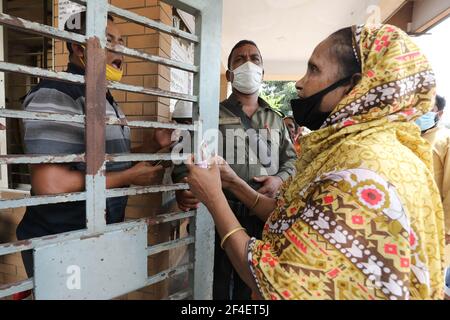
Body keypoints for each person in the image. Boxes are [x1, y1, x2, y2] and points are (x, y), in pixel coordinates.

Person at [185, 24, 445, 299]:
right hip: (230, 217)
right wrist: (232, 184)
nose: (298, 83)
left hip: (250, 228)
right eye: (240, 59)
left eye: (314, 70)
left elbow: (278, 283)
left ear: (356, 86)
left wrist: (216, 196)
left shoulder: (361, 172)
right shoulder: (355, 150)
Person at [16, 11, 173, 279]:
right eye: (108, 40)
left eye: (120, 42)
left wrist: (150, 146)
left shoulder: (104, 98)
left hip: (95, 235)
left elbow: (107, 160)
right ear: (79, 48)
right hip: (60, 241)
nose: (119, 50)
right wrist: (129, 176)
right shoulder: (57, 93)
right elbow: (50, 184)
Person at [172, 40, 297, 299]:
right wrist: (184, 186)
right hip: (218, 214)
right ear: (229, 74)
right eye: (240, 59)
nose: (248, 63)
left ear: (262, 72)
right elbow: (184, 156)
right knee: (213, 282)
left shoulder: (275, 118)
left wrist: (278, 179)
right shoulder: (210, 113)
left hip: (263, 216)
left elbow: (292, 162)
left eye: (255, 58)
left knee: (252, 285)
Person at [416, 95, 450, 297]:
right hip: (409, 218)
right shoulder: (406, 136)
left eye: (427, 109)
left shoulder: (444, 140)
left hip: (434, 225)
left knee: (430, 279)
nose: (420, 113)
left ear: (439, 113)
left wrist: (446, 230)